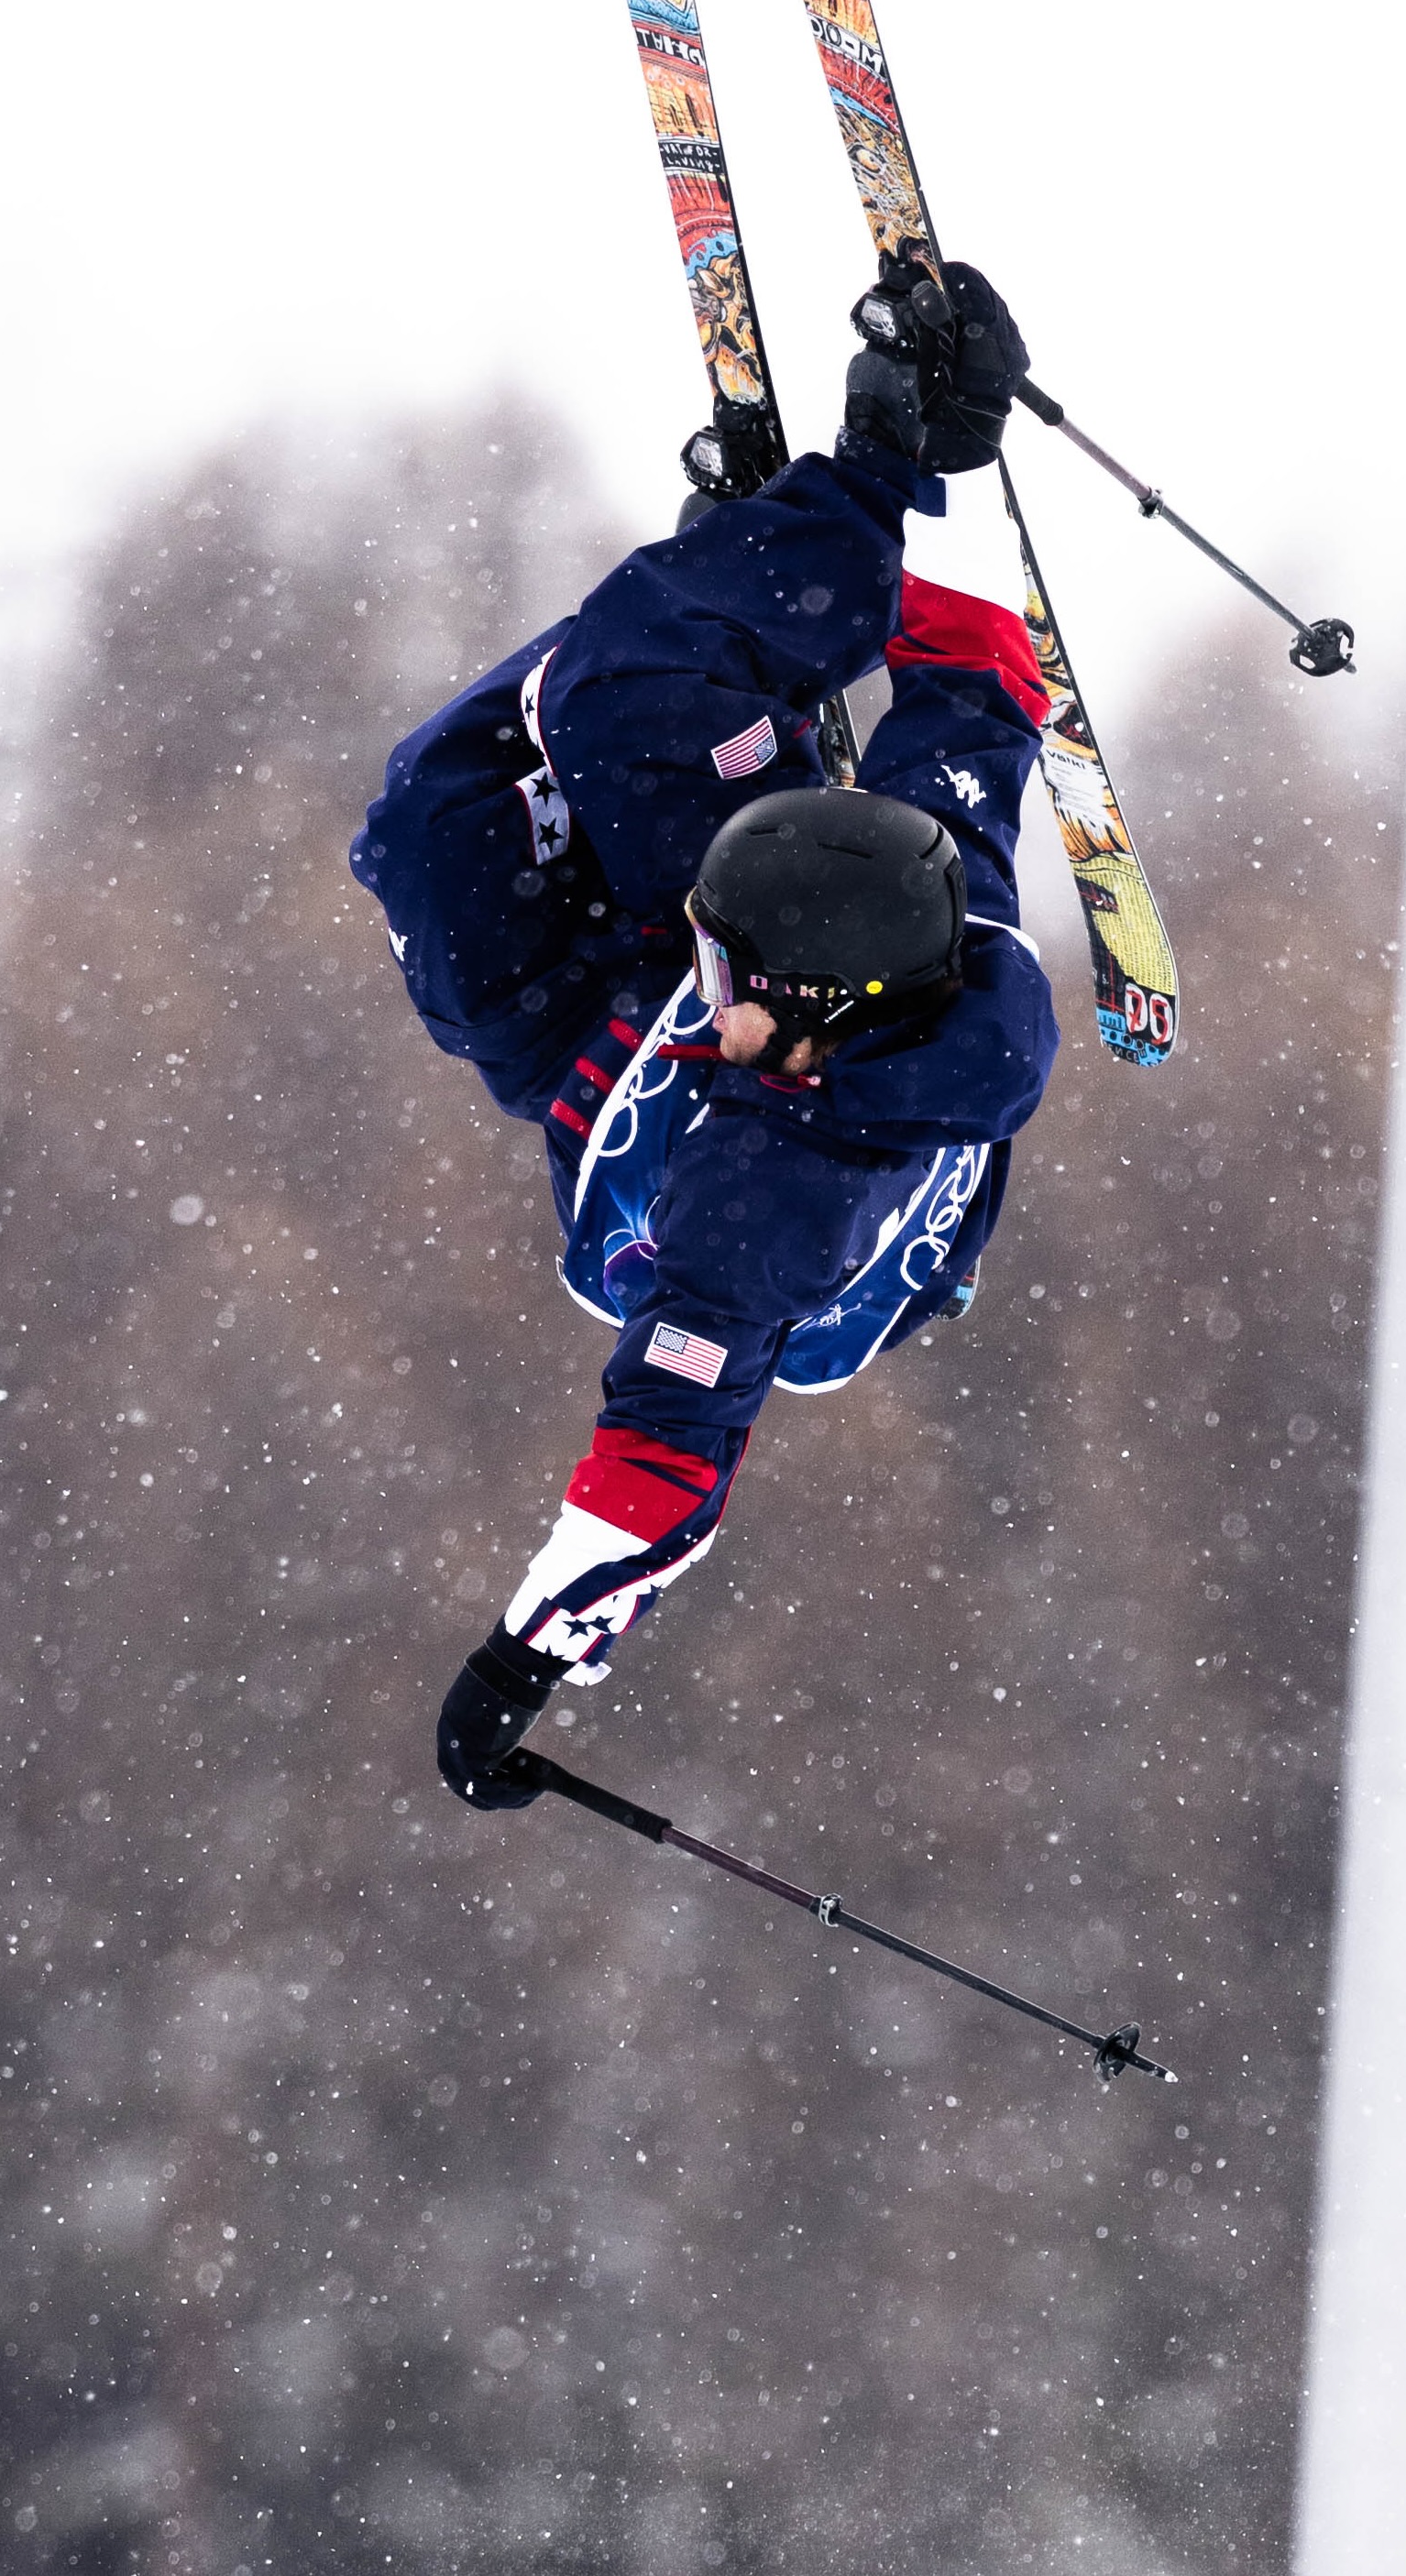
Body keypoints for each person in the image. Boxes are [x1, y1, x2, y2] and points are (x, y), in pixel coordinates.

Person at [346, 265, 1056, 1810]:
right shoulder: (944, 896)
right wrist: (855, 517)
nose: (710, 968)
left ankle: (750, 610)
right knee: (604, 708)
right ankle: (758, 603)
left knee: (431, 836)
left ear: (803, 1018)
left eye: (728, 969)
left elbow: (667, 1467)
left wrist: (522, 1661)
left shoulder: (750, 1220)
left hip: (636, 1144)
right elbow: (978, 663)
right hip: (723, 1021)